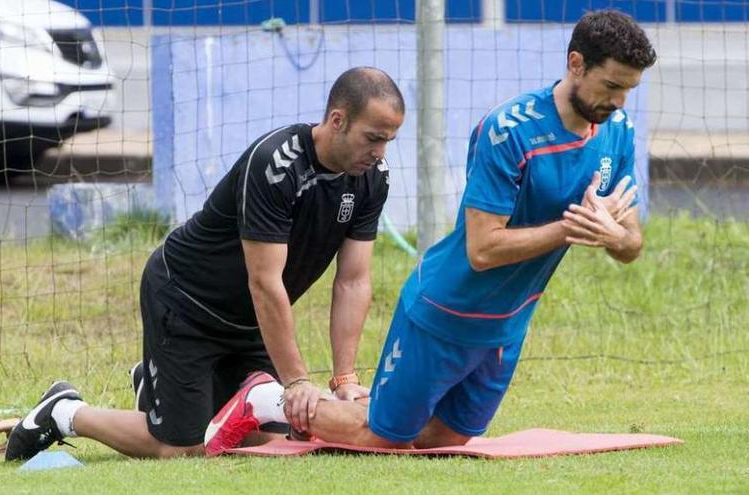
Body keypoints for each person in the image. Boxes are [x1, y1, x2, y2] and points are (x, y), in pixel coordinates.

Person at [203, 10, 657, 455]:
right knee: (387, 435)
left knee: (445, 439)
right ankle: (266, 399)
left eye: (629, 90)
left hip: (510, 322)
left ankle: (314, 415)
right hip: (445, 311)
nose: (619, 101)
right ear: (576, 64)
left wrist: (614, 236)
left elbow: (630, 240)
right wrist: (571, 229)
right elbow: (483, 249)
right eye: (612, 86)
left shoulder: (617, 131)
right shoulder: (509, 131)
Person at [3, 67, 405, 461]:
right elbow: (264, 281)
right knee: (184, 448)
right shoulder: (277, 164)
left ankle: (154, 387)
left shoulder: (374, 179)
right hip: (185, 302)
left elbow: (352, 281)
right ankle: (64, 412)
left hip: (250, 324)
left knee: (269, 441)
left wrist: (346, 378)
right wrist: (298, 380)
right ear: (337, 120)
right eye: (373, 138)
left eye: (388, 141)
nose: (379, 153)